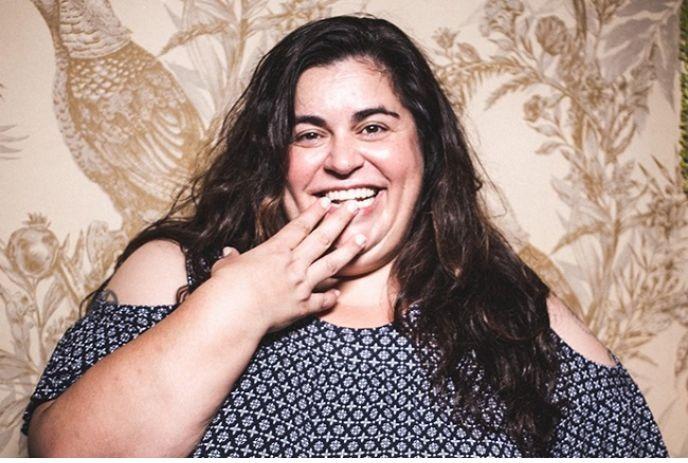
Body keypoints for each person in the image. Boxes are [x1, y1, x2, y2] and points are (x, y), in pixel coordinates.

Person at [22, 15, 667, 457]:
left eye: (374, 127)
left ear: (428, 151)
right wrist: (235, 305)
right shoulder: (174, 272)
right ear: (275, 158)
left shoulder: (511, 312)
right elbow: (59, 452)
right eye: (309, 134)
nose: (341, 160)